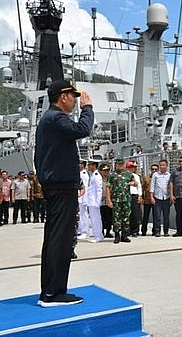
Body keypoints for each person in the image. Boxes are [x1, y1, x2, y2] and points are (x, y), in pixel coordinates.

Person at [35, 80, 93, 307]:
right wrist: (88, 110)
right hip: (60, 187)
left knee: (55, 238)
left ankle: (52, 290)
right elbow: (82, 129)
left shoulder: (48, 120)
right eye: (73, 96)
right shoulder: (57, 118)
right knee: (61, 239)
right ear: (63, 97)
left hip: (57, 185)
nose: (77, 100)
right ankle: (53, 293)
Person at [106, 159, 134, 244]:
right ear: (116, 164)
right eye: (118, 164)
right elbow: (107, 187)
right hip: (116, 199)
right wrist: (108, 200)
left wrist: (133, 183)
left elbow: (134, 182)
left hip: (126, 199)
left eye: (122, 164)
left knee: (126, 217)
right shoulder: (112, 175)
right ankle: (117, 235)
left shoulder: (128, 174)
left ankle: (124, 235)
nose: (120, 166)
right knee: (116, 218)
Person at [150, 159, 172, 237]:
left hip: (166, 197)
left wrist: (171, 197)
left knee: (166, 216)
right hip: (157, 197)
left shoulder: (169, 175)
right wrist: (151, 197)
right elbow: (152, 186)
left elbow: (171, 186)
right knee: (157, 216)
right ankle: (157, 231)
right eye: (160, 165)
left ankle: (166, 231)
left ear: (166, 166)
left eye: (163, 165)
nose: (161, 167)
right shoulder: (155, 175)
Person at [84, 161, 104, 243]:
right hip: (91, 201)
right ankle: (97, 235)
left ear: (94, 166)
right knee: (93, 219)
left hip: (94, 201)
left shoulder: (96, 176)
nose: (88, 167)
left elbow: (99, 189)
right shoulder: (92, 175)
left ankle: (98, 235)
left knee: (96, 219)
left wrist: (98, 201)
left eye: (90, 165)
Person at [141, 164, 158, 236]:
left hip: (156, 200)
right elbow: (142, 188)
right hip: (147, 200)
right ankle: (143, 231)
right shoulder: (146, 178)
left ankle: (155, 231)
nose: (154, 171)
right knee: (145, 216)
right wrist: (141, 197)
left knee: (156, 216)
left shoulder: (158, 177)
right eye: (153, 169)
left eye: (156, 169)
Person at [127, 161, 142, 237]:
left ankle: (135, 230)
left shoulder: (136, 176)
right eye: (129, 167)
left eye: (132, 167)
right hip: (126, 195)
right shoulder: (124, 176)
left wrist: (140, 195)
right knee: (127, 214)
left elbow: (139, 186)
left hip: (134, 195)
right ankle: (127, 230)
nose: (131, 169)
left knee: (135, 214)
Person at [99, 164, 113, 238]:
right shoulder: (98, 179)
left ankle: (108, 231)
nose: (106, 172)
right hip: (100, 201)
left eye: (107, 170)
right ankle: (101, 231)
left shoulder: (110, 179)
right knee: (101, 217)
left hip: (108, 200)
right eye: (104, 170)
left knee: (109, 217)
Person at [77, 161, 90, 238]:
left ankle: (84, 231)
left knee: (83, 215)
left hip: (83, 197)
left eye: (80, 164)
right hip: (79, 198)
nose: (78, 165)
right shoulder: (80, 173)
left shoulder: (84, 175)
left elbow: (85, 188)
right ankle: (80, 229)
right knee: (80, 215)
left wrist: (84, 199)